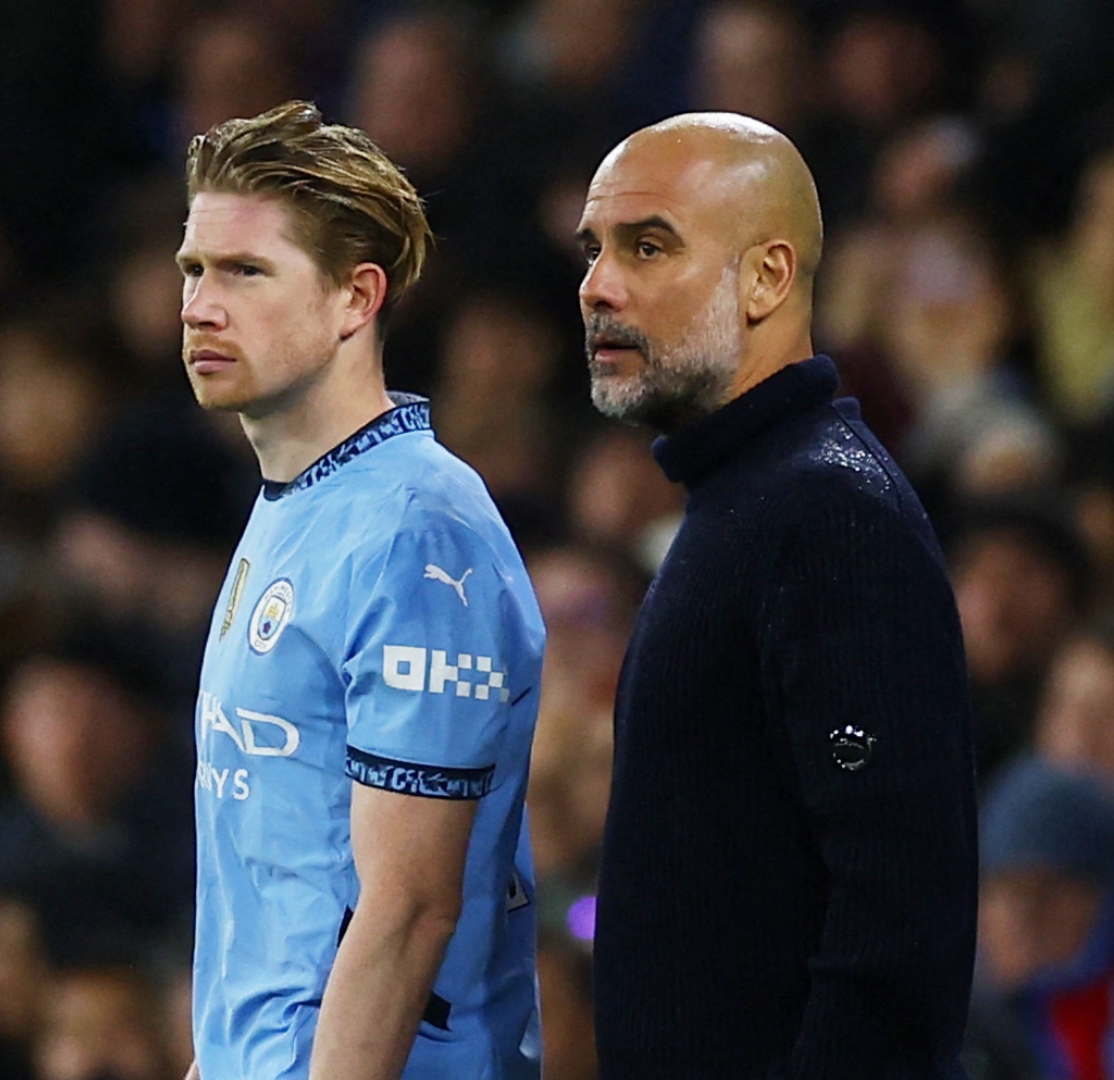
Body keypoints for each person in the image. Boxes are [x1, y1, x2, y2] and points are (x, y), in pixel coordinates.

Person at [578, 112, 978, 1077]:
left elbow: (898, 921)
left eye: (648, 247)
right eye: (593, 251)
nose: (597, 286)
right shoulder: (750, 504)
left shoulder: (826, 516)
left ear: (766, 277)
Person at [177, 102, 546, 1079]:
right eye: (194, 269)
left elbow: (412, 907)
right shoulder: (296, 505)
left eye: (245, 271)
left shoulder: (416, 531)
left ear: (355, 298)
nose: (199, 307)